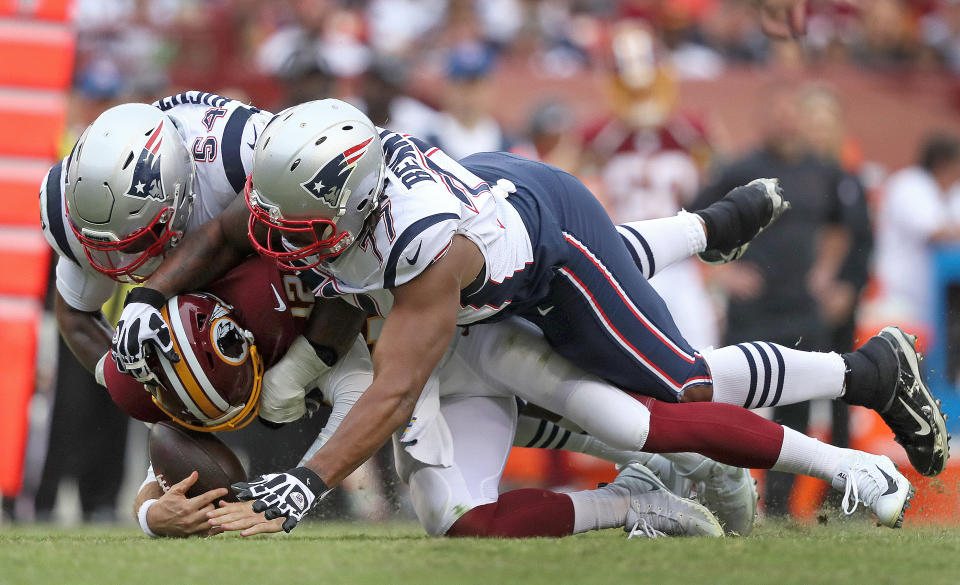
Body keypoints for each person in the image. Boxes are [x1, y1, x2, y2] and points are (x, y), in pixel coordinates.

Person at [112, 100, 936, 535]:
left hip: (531, 262)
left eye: (298, 236)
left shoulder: (426, 247)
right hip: (456, 299)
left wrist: (304, 480)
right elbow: (234, 231)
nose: (279, 249)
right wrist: (147, 305)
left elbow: (394, 386)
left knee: (666, 391)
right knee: (466, 512)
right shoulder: (295, 193)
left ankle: (855, 407)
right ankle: (706, 232)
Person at [113, 257, 742, 538]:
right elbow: (168, 453)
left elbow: (366, 399)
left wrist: (305, 483)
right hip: (399, 361)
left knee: (563, 384)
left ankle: (698, 449)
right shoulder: (176, 366)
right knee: (459, 511)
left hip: (430, 323)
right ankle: (638, 498)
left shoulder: (258, 285)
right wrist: (151, 514)